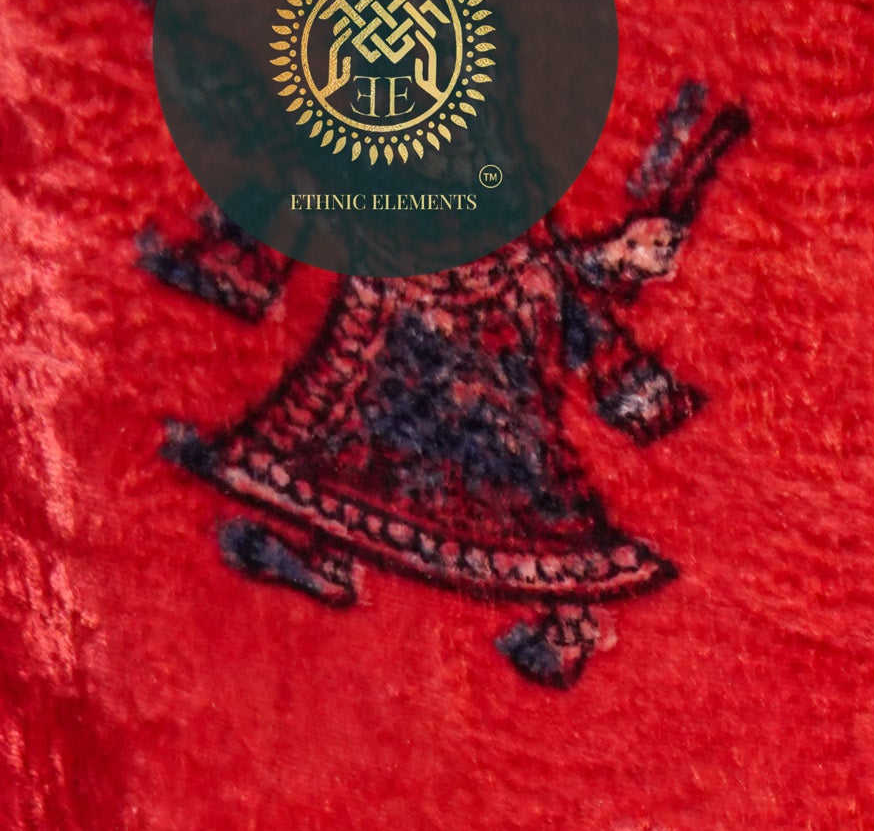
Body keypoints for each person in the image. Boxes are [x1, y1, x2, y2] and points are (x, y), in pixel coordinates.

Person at [144, 74, 748, 685]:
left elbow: (525, 250)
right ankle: (328, 556)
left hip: (485, 326)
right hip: (426, 302)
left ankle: (569, 623)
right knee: (356, 429)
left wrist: (610, 258)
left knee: (516, 483)